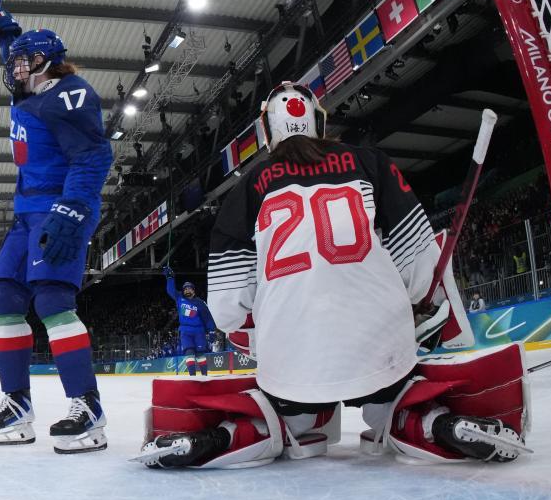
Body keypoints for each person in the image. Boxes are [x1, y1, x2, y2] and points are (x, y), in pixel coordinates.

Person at [138, 83, 528, 468]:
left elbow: (227, 309)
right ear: (319, 122)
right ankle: (431, 422)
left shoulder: (247, 189)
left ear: (266, 130)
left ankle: (230, 434)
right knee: (389, 399)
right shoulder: (370, 162)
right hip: (378, 347)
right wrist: (417, 308)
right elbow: (422, 267)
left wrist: (265, 334)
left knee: (290, 413)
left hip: (293, 360)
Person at [0, 4, 113, 454]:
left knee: (53, 298)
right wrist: (6, 32)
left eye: (20, 60)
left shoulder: (68, 93)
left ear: (43, 62)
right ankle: (16, 404)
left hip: (60, 205)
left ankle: (87, 406)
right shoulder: (30, 86)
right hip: (27, 213)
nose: (11, 68)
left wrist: (73, 210)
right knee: (5, 299)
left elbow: (93, 157)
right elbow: (14, 59)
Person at [162, 266, 216, 376]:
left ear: (193, 290)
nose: (187, 290)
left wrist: (212, 330)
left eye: (189, 288)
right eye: (185, 289)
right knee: (189, 353)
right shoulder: (179, 298)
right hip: (185, 332)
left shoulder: (200, 303)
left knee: (200, 355)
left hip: (199, 332)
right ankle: (192, 377)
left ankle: (204, 377)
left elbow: (208, 318)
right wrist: (170, 278)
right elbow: (170, 290)